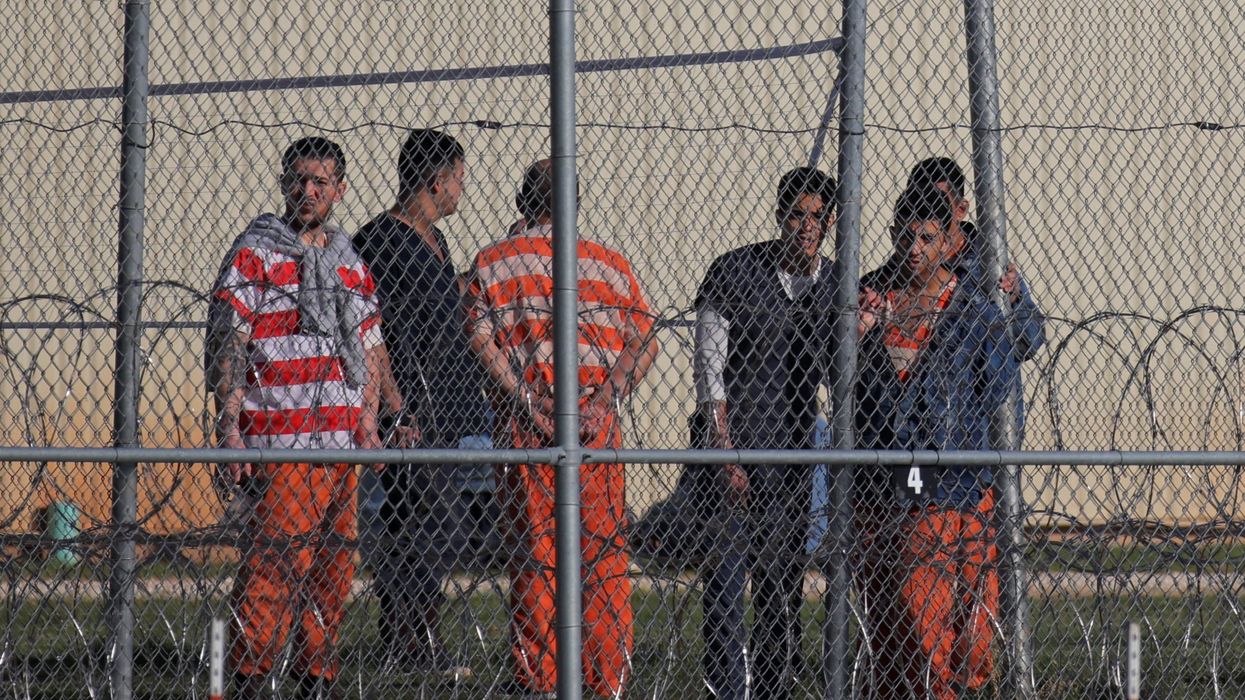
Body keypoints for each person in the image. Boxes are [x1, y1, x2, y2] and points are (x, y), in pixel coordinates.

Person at [466, 159, 659, 698]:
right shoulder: (608, 264)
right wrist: (603, 400)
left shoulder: (494, 263)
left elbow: (481, 341)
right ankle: (604, 681)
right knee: (601, 559)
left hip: (528, 429)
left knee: (535, 559)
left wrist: (526, 401)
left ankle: (543, 679)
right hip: (596, 432)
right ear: (573, 203)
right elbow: (644, 341)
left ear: (523, 202)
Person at [690, 167, 882, 700]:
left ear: (831, 222)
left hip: (792, 454)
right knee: (726, 588)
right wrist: (722, 450)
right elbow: (709, 368)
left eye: (817, 217)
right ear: (780, 216)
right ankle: (727, 689)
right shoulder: (735, 272)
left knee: (780, 587)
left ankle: (774, 686)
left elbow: (845, 373)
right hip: (731, 444)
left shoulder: (836, 285)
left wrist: (862, 326)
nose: (806, 226)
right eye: (796, 214)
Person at [206, 136, 386, 700]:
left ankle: (317, 674)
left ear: (340, 190)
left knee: (333, 571)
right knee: (276, 564)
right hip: (281, 439)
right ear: (285, 184)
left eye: (320, 183)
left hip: (340, 440)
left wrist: (369, 423)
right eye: (299, 181)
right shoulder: (256, 253)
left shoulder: (348, 259)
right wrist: (230, 424)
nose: (308, 192)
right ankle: (251, 675)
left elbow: (370, 347)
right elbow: (229, 340)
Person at [853, 185, 1019, 700]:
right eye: (905, 236)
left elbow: (1001, 387)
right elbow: (830, 378)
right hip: (880, 482)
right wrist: (856, 333)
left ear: (950, 240)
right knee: (890, 616)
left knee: (934, 614)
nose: (914, 249)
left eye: (927, 237)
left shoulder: (972, 308)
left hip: (951, 484)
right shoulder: (869, 296)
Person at [353, 128, 489, 679]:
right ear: (436, 180)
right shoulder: (382, 242)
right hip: (409, 410)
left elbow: (436, 304)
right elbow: (373, 329)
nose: (462, 189)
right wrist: (394, 406)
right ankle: (408, 641)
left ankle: (415, 640)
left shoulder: (432, 238)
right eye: (459, 178)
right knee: (425, 522)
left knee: (432, 524)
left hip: (442, 410)